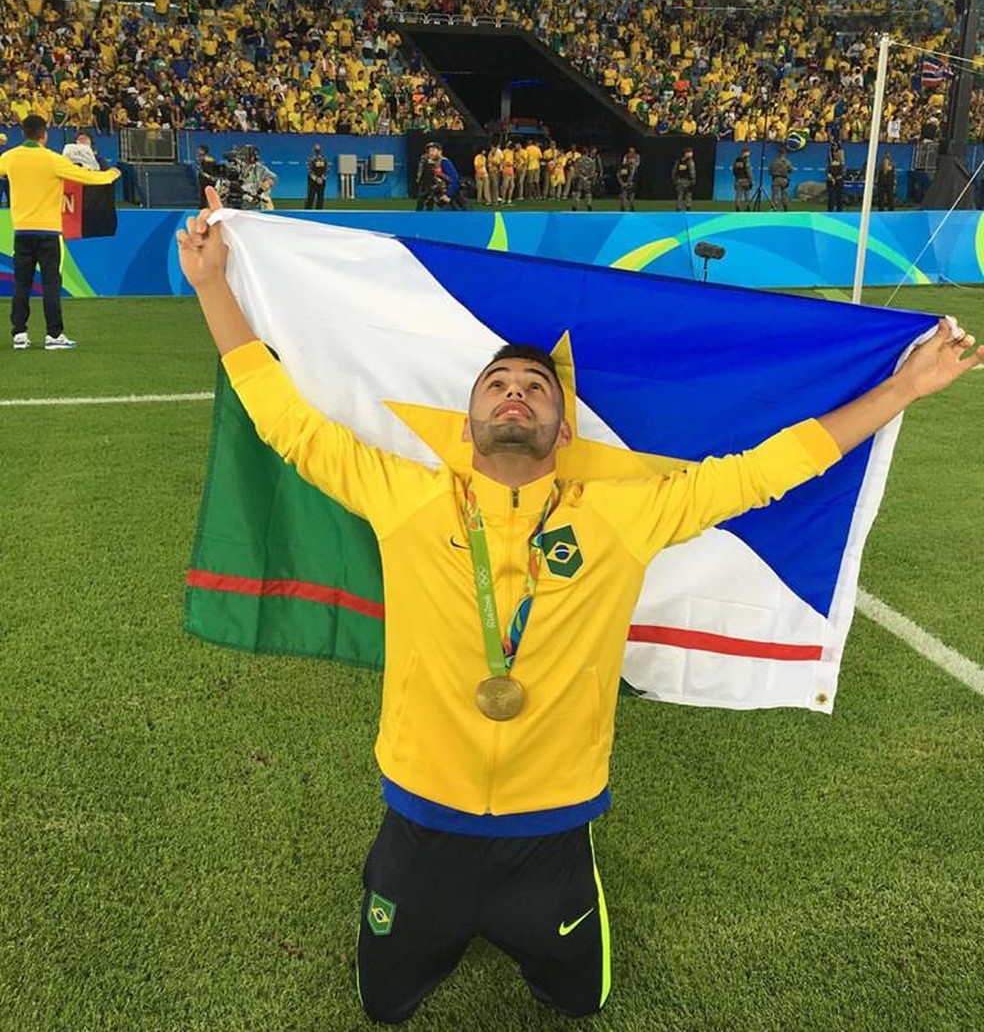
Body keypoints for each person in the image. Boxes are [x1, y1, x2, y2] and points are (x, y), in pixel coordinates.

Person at [177, 187, 982, 1024]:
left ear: (565, 430)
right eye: (498, 384)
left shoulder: (624, 516)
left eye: (535, 386)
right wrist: (213, 287)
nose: (516, 393)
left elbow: (767, 468)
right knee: (383, 1007)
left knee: (579, 1003)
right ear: (468, 422)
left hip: (552, 835)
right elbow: (289, 426)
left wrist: (905, 390)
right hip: (419, 821)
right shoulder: (405, 499)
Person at [3, 114, 119, 350]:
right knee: (51, 283)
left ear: (23, 133)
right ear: (44, 134)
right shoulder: (53, 160)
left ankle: (19, 334)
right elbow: (87, 177)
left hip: (22, 232)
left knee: (22, 284)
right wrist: (110, 175)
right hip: (48, 233)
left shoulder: (9, 158)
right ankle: (54, 336)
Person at [768, 146, 794, 211]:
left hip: (776, 179)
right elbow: (791, 170)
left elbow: (769, 171)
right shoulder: (787, 162)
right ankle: (785, 209)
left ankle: (774, 208)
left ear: (779, 153)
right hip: (784, 179)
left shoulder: (774, 161)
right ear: (785, 154)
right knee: (785, 195)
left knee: (775, 195)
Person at [306, 144, 329, 210]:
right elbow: (326, 170)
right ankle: (318, 210)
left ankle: (309, 210)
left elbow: (310, 170)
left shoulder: (311, 159)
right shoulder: (324, 159)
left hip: (314, 181)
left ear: (314, 151)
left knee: (313, 196)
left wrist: (317, 179)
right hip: (319, 181)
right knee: (318, 196)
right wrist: (321, 178)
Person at [673, 147, 696, 211]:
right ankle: (687, 209)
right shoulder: (689, 161)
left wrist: (675, 179)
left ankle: (679, 208)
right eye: (690, 152)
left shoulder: (679, 160)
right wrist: (693, 180)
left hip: (679, 180)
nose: (691, 154)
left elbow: (674, 171)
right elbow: (692, 171)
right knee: (687, 195)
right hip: (687, 181)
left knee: (680, 196)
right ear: (686, 153)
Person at [618, 147, 640, 212]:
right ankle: (623, 207)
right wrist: (623, 183)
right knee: (624, 193)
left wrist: (633, 165)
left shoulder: (637, 157)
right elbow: (620, 174)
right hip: (626, 176)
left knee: (632, 193)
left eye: (632, 152)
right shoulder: (625, 165)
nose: (631, 153)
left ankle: (632, 206)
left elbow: (637, 164)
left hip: (633, 178)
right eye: (630, 152)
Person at [826, 143, 845, 212]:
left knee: (839, 196)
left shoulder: (841, 161)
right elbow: (828, 171)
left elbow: (842, 172)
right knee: (831, 196)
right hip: (831, 179)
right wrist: (831, 178)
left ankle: (839, 210)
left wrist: (837, 179)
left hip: (839, 179)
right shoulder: (830, 156)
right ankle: (830, 210)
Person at [732, 147, 753, 211]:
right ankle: (748, 207)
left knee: (738, 195)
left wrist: (736, 178)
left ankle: (737, 208)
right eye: (748, 152)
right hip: (746, 180)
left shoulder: (737, 160)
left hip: (738, 180)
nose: (749, 153)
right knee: (747, 195)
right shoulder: (746, 160)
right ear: (745, 152)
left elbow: (734, 170)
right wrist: (751, 180)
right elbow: (748, 171)